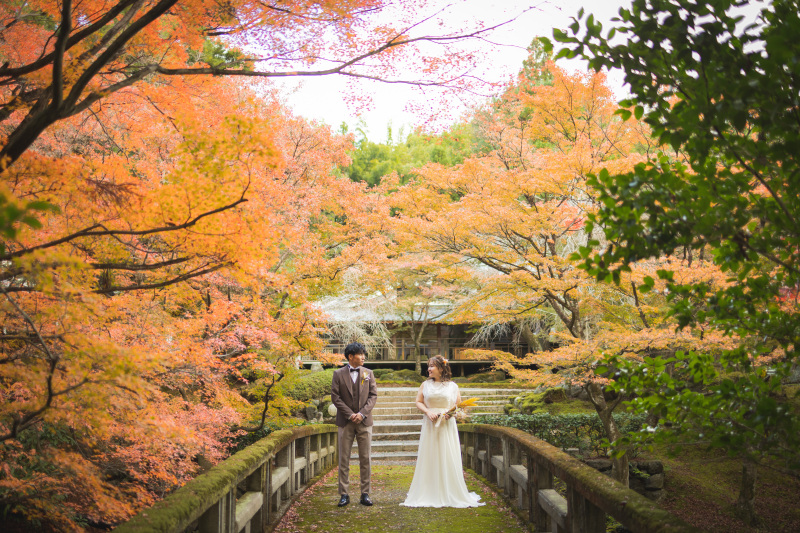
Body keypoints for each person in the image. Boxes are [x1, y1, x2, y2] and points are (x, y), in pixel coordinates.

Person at [402, 355, 483, 508]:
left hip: (446, 426)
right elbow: (418, 401)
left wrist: (450, 414)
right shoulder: (425, 384)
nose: (429, 369)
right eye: (428, 366)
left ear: (441, 368)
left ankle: (450, 490)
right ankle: (428, 490)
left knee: (447, 455)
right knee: (430, 455)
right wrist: (428, 412)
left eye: (432, 366)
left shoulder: (453, 386)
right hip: (430, 424)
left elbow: (459, 406)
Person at [330, 342, 378, 507]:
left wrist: (362, 413)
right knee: (344, 458)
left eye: (364, 354)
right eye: (360, 354)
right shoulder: (338, 374)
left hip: (365, 422)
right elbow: (335, 397)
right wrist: (350, 414)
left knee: (366, 458)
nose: (363, 357)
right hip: (345, 422)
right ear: (351, 357)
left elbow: (373, 396)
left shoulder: (369, 373)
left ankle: (365, 493)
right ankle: (344, 494)